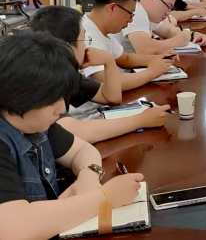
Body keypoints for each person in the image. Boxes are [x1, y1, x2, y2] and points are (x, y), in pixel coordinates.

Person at [0, 33, 144, 240]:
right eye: (52, 100)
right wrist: (105, 197)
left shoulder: (34, 124)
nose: (61, 109)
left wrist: (89, 176)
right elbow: (14, 228)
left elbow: (82, 150)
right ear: (20, 96)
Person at [29, 6, 171, 144]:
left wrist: (109, 62)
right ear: (66, 47)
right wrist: (141, 120)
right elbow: (74, 132)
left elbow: (112, 97)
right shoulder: (42, 81)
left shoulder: (68, 75)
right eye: (84, 40)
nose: (87, 46)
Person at [80, 0, 176, 90]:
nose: (131, 20)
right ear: (112, 8)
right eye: (130, 14)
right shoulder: (86, 35)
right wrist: (152, 72)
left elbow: (125, 58)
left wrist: (159, 59)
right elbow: (108, 82)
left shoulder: (103, 30)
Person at [120, 0, 206, 55]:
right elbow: (145, 49)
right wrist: (176, 41)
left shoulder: (148, 14)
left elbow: (168, 30)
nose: (168, 13)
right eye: (168, 7)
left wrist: (193, 35)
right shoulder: (136, 11)